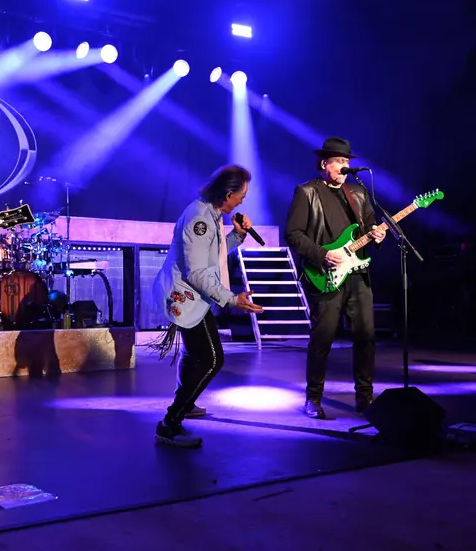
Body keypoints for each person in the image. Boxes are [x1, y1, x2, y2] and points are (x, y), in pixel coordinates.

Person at [150, 165, 264, 447]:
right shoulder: (199, 218)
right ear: (228, 193)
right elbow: (198, 273)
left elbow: (211, 254)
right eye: (241, 195)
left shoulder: (209, 213)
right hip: (186, 297)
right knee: (213, 359)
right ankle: (170, 423)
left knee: (194, 354)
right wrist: (231, 298)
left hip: (194, 297)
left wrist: (237, 236)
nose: (242, 201)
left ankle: (185, 405)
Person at [285, 137, 387, 419]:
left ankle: (365, 398)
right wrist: (322, 255)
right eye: (339, 162)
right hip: (324, 275)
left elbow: (367, 229)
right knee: (323, 338)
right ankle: (313, 398)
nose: (344, 167)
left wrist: (377, 235)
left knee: (366, 336)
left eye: (347, 162)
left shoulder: (358, 193)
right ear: (324, 164)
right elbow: (293, 235)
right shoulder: (307, 193)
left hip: (357, 274)